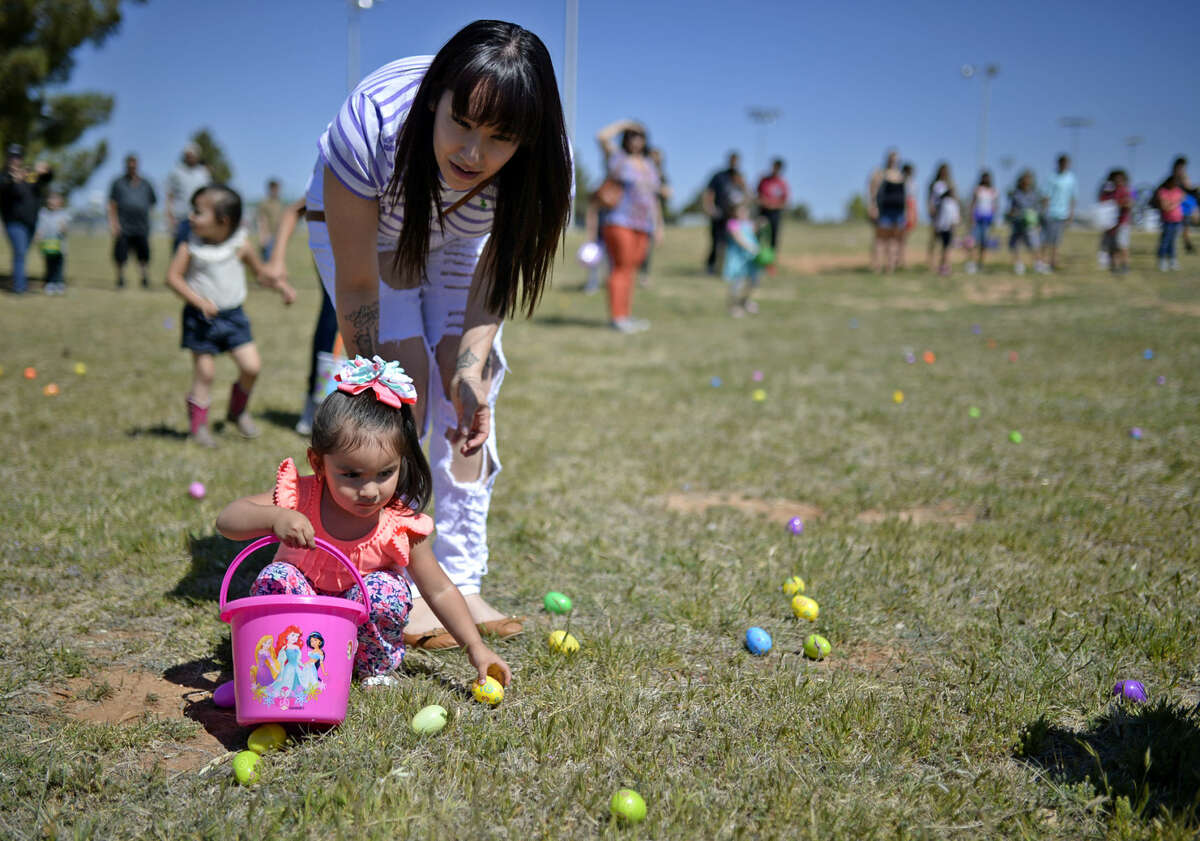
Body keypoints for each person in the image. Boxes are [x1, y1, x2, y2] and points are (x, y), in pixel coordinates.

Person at [303, 20, 573, 648]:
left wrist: (469, 371)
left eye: (500, 139)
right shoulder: (371, 124)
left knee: (462, 397)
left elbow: (492, 289)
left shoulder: (543, 169)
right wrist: (379, 390)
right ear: (435, 100)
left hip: (466, 234)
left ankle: (462, 577)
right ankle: (397, 577)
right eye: (461, 123)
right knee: (406, 389)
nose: (473, 154)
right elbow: (360, 289)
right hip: (372, 227)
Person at [216, 356, 513, 689]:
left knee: (384, 590)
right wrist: (274, 517)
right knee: (278, 576)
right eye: (352, 475)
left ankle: (371, 670)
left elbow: (439, 589)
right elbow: (228, 520)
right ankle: (280, 664)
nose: (370, 491)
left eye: (385, 473)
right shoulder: (301, 497)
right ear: (318, 462)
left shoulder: (398, 524)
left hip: (360, 642)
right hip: (299, 637)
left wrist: (475, 647)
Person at [165, 184, 296, 446]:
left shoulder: (241, 245)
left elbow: (260, 272)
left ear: (223, 221)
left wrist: (281, 286)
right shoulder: (190, 247)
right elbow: (172, 278)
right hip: (201, 320)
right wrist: (198, 301)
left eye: (198, 212)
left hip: (234, 318)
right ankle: (198, 427)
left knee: (251, 367)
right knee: (206, 373)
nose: (191, 216)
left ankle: (237, 412)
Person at [597, 119, 662, 332]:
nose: (636, 141)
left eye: (639, 137)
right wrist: (625, 124)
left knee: (632, 269)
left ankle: (625, 314)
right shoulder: (618, 158)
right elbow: (602, 137)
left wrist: (659, 225)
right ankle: (617, 317)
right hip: (619, 220)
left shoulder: (649, 163)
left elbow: (653, 197)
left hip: (643, 224)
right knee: (621, 267)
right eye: (632, 136)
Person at [1, 144, 53, 295]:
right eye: (12, 156)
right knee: (20, 252)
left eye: (18, 157)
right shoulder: (4, 176)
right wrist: (12, 180)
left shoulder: (29, 175)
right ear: (8, 158)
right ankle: (19, 287)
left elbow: (44, 180)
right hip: (14, 223)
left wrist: (46, 170)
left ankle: (20, 283)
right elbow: (3, 186)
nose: (15, 160)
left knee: (22, 252)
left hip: (31, 222)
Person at [108, 153, 156, 289]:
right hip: (123, 226)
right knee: (121, 255)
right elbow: (112, 204)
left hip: (141, 226)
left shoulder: (146, 184)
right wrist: (114, 223)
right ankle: (120, 278)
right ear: (126, 166)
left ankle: (144, 277)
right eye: (129, 165)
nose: (132, 167)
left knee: (143, 254)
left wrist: (147, 219)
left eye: (134, 165)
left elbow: (152, 203)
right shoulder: (118, 183)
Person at [702, 152, 744, 274]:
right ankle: (711, 266)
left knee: (731, 243)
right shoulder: (719, 176)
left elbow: (745, 193)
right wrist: (710, 207)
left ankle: (727, 268)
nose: (734, 163)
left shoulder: (739, 177)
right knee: (715, 242)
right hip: (719, 214)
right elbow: (710, 192)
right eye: (732, 160)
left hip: (732, 217)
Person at [165, 143, 212, 251]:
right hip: (181, 218)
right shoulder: (176, 172)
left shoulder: (204, 173)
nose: (190, 157)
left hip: (200, 218)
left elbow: (208, 194)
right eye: (188, 155)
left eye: (193, 155)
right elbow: (170, 196)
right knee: (180, 248)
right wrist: (169, 217)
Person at [867, 150, 906, 273]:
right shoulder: (879, 173)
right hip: (884, 210)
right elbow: (872, 190)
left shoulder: (900, 175)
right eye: (892, 158)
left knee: (894, 239)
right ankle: (877, 266)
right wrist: (873, 206)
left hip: (898, 211)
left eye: (896, 159)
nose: (893, 161)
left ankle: (890, 266)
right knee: (880, 239)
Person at [723, 198, 762, 316]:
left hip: (750, 258)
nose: (743, 214)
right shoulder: (732, 224)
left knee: (753, 281)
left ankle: (745, 301)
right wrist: (750, 247)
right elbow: (738, 238)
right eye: (740, 211)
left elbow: (755, 231)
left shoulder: (749, 224)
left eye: (745, 211)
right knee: (737, 283)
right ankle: (733, 306)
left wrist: (761, 224)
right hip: (738, 258)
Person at [1039, 154, 1076, 271]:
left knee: (1057, 240)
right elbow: (1046, 195)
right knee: (1046, 239)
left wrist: (1071, 213)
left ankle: (1053, 263)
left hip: (1062, 214)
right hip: (1050, 213)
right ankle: (1041, 262)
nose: (1065, 166)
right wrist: (1044, 211)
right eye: (1063, 163)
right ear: (1059, 163)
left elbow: (1072, 197)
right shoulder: (1051, 177)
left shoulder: (1071, 178)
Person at [1006, 170, 1044, 275]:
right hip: (1018, 222)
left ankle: (1038, 264)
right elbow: (1012, 208)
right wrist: (1011, 215)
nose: (1027, 181)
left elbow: (1038, 208)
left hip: (1030, 224)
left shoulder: (1034, 194)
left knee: (1034, 244)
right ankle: (1018, 265)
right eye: (1025, 179)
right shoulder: (1016, 194)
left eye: (1028, 179)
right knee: (1015, 244)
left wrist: (1037, 222)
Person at [35, 190, 70, 295]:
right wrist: (38, 235)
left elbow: (66, 229)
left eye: (55, 200)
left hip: (60, 246)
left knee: (59, 265)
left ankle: (59, 282)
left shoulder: (64, 213)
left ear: (60, 202)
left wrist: (64, 227)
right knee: (49, 264)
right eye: (51, 199)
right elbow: (40, 227)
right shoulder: (43, 213)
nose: (52, 202)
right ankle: (49, 283)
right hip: (47, 244)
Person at [1098, 169, 1132, 274]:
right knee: (1113, 246)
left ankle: (1125, 265)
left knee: (1122, 246)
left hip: (1123, 223)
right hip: (1111, 224)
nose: (1118, 181)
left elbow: (1130, 204)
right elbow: (1102, 202)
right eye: (1115, 179)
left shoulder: (1127, 190)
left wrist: (1119, 204)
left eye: (1120, 178)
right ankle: (1115, 266)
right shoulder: (1109, 191)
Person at [756, 158, 789, 258]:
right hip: (763, 212)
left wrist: (774, 205)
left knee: (773, 238)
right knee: (759, 235)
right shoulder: (764, 180)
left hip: (775, 213)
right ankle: (758, 258)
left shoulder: (782, 183)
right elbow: (757, 195)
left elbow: (785, 201)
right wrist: (763, 202)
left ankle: (771, 261)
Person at [966, 171, 998, 274]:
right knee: (973, 242)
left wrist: (994, 218)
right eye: (984, 178)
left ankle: (981, 264)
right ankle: (971, 263)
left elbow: (994, 206)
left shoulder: (993, 191)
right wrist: (971, 217)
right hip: (977, 218)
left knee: (984, 243)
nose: (986, 180)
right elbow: (973, 203)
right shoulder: (978, 190)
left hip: (987, 220)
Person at [1155, 174, 1185, 271]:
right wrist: (1177, 202)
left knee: (1173, 242)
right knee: (1165, 241)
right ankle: (1162, 261)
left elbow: (1181, 200)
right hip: (1167, 221)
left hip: (1177, 220)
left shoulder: (1178, 191)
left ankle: (1172, 261)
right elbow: (1165, 207)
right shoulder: (1163, 191)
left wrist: (1173, 203)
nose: (1176, 184)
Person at [925, 162, 952, 268]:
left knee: (946, 240)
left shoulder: (949, 184)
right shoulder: (934, 184)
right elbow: (930, 198)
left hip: (947, 215)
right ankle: (930, 262)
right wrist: (931, 208)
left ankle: (944, 262)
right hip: (937, 214)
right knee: (934, 238)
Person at [932, 185, 960, 276]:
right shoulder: (951, 203)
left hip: (942, 228)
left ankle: (943, 267)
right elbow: (954, 218)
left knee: (944, 248)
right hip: (948, 228)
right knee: (947, 249)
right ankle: (945, 267)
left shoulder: (942, 203)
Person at [256, 179, 285, 260]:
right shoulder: (265, 203)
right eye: (275, 189)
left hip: (278, 235)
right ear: (271, 189)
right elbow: (261, 220)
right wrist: (262, 236)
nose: (277, 191)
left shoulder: (279, 203)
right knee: (267, 260)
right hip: (268, 237)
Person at [899, 162, 917, 269]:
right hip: (905, 207)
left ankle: (902, 260)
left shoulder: (912, 182)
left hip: (911, 206)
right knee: (901, 236)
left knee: (905, 237)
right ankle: (900, 260)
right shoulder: (902, 182)